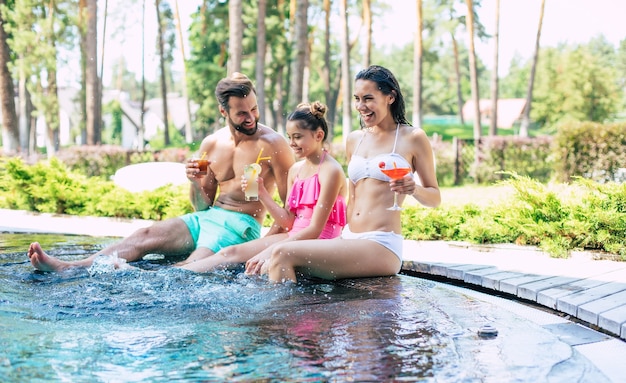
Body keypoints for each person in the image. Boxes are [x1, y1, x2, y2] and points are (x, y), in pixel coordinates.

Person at [27, 72, 295, 272]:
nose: (251, 117)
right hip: (207, 218)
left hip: (241, 225)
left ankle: (130, 275)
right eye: (241, 113)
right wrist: (193, 181)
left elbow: (289, 210)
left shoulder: (274, 144)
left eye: (254, 109)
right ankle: (71, 267)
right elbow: (202, 206)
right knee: (143, 236)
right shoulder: (210, 144)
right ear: (223, 111)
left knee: (192, 265)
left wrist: (263, 248)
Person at [246, 65, 441, 283]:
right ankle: (298, 314)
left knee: (282, 254)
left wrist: (413, 188)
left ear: (390, 97)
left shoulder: (413, 137)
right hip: (349, 237)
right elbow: (353, 198)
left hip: (381, 243)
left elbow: (434, 197)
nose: (361, 106)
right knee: (269, 266)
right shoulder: (355, 139)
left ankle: (283, 315)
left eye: (368, 98)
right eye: (357, 98)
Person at [179, 101, 347, 273]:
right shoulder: (296, 170)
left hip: (320, 242)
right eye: (289, 137)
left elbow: (315, 230)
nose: (291, 143)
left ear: (318, 136)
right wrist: (261, 193)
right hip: (294, 237)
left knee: (265, 266)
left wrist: (268, 250)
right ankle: (176, 276)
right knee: (230, 253)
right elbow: (288, 221)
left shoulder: (330, 171)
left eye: (297, 137)